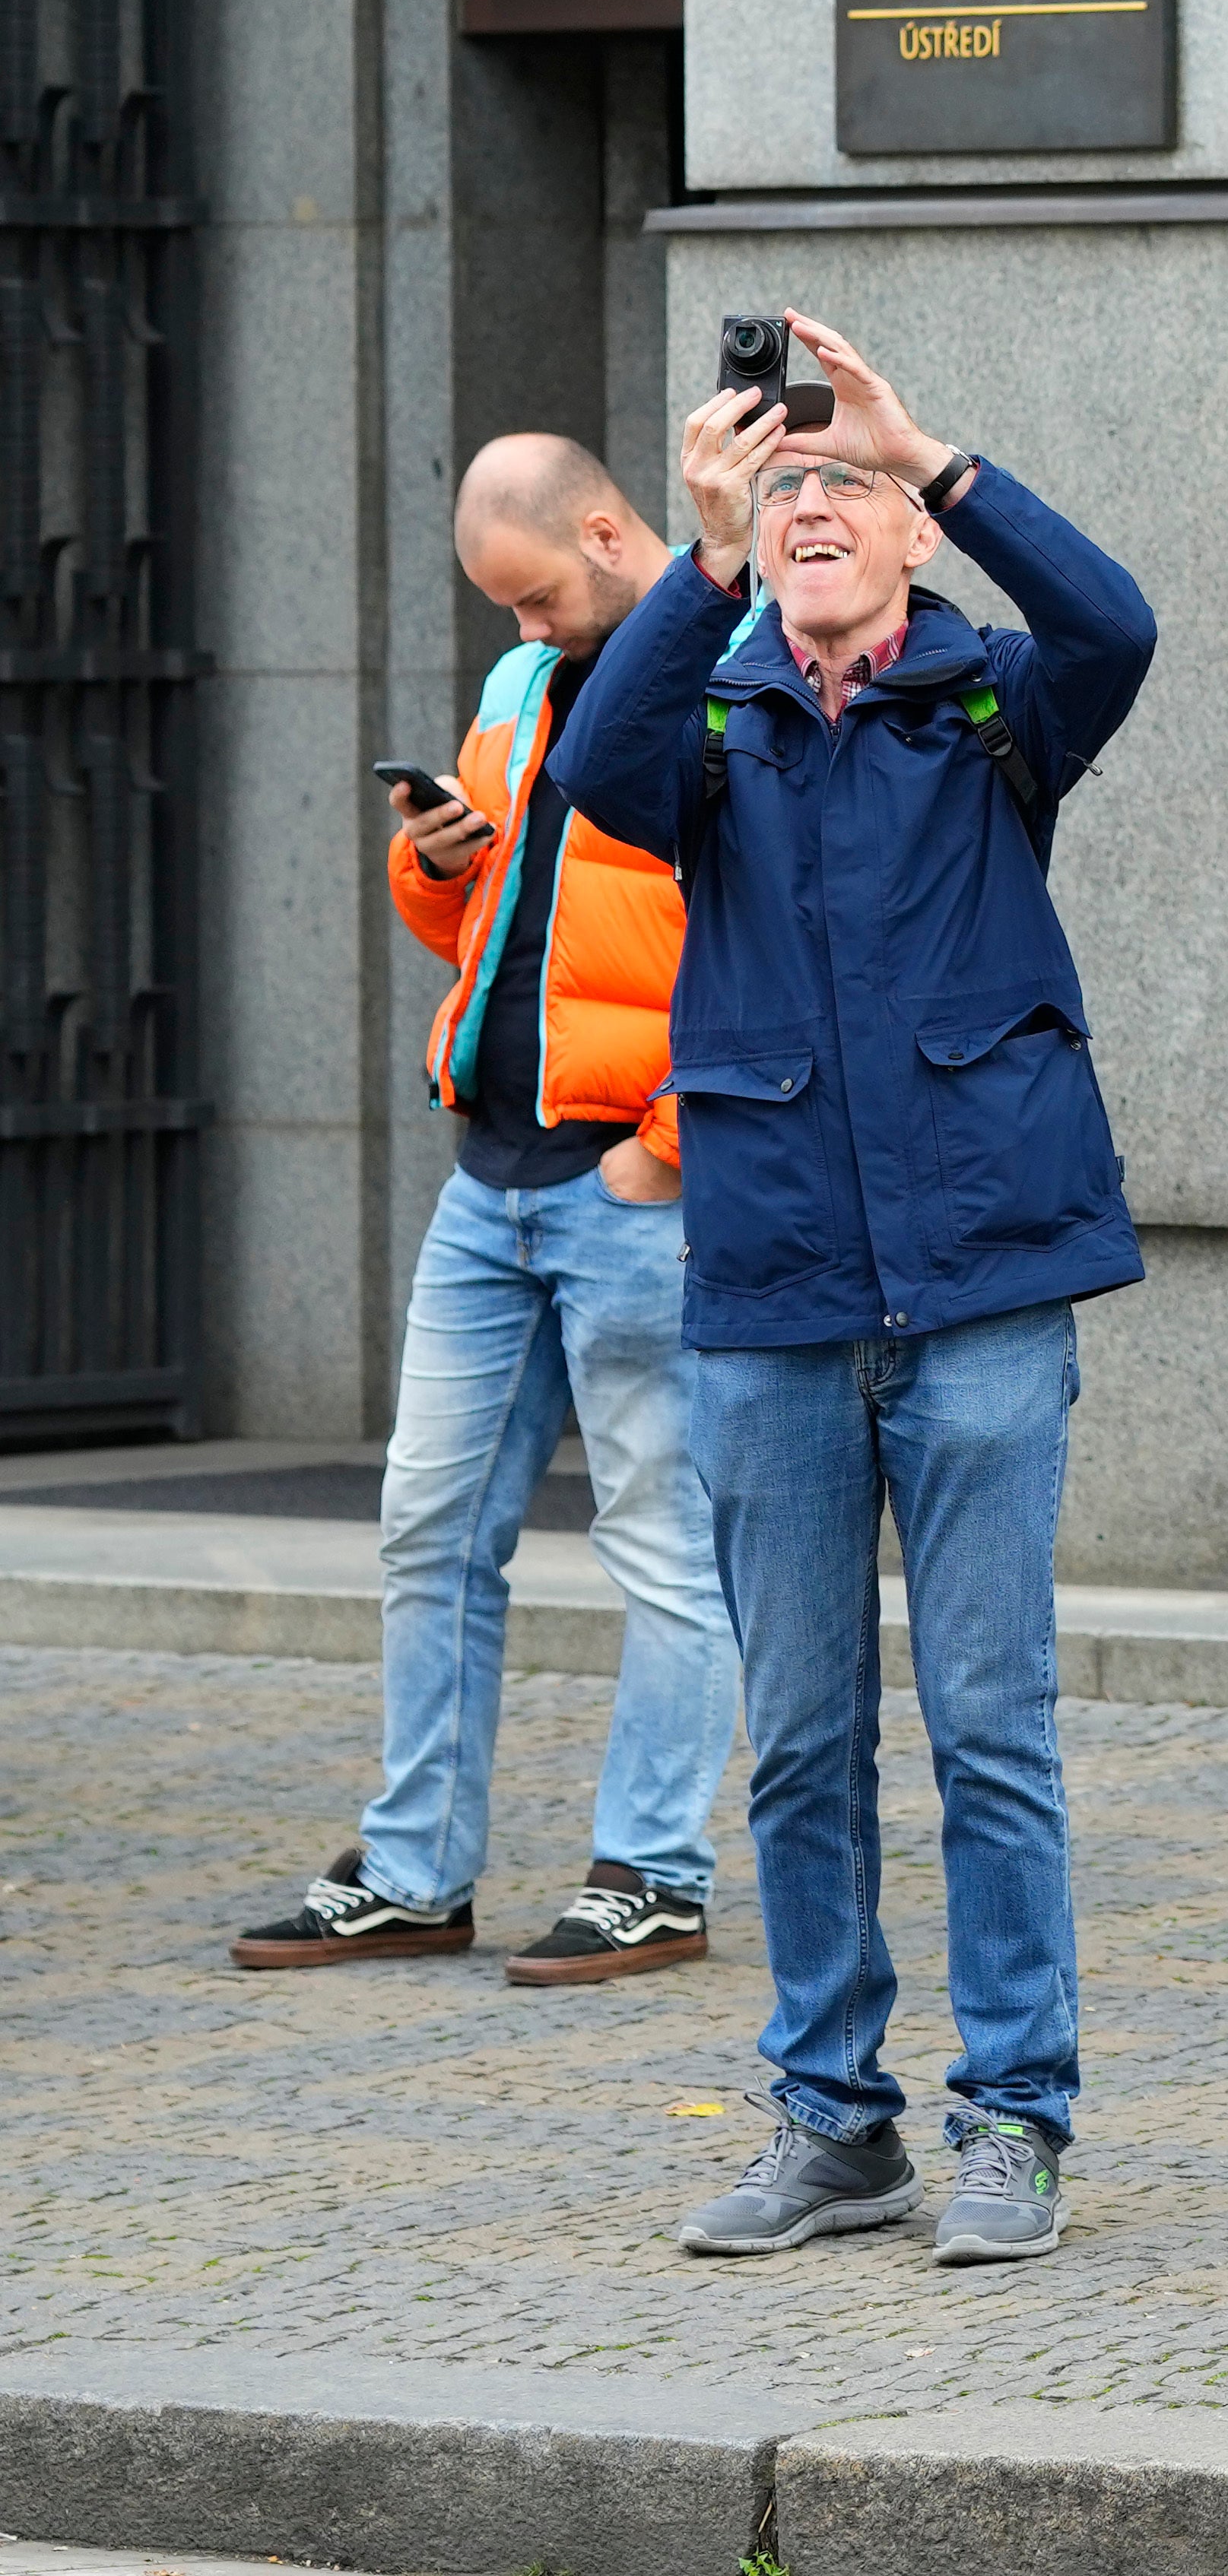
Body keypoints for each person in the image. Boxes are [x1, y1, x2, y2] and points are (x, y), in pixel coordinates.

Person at [554, 311, 1157, 2264]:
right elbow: (591, 774)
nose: (815, 507)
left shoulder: (993, 707)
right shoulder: (709, 725)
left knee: (992, 1724)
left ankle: (1018, 2116)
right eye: (787, 488)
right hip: (781, 1296)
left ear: (906, 544)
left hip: (982, 1289)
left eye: (849, 494)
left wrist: (938, 449)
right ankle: (833, 2121)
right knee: (803, 1733)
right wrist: (708, 548)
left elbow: (1122, 626)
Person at [227, 437, 735, 1991]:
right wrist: (429, 863)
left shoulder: (737, 667)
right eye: (499, 607)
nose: (520, 630)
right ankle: (412, 1870)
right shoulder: (524, 686)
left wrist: (666, 1142)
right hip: (490, 1175)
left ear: (606, 529)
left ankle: (653, 1870)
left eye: (535, 595)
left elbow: (780, 935)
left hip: (630, 1184)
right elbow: (496, 912)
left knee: (662, 1541)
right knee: (428, 1528)